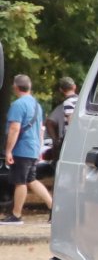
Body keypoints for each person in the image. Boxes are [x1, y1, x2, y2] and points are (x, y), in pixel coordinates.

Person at [3, 73, 53, 225]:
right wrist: (38, 149)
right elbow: (40, 131)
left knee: (20, 181)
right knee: (31, 180)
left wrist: (8, 150)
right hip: (32, 149)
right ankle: (54, 208)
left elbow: (14, 128)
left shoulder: (18, 105)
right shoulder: (36, 105)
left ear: (15, 87)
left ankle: (16, 215)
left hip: (22, 149)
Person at [45, 76, 78, 163]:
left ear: (61, 90)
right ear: (74, 87)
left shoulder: (67, 103)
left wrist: (55, 141)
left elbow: (70, 119)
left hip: (69, 139)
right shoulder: (80, 101)